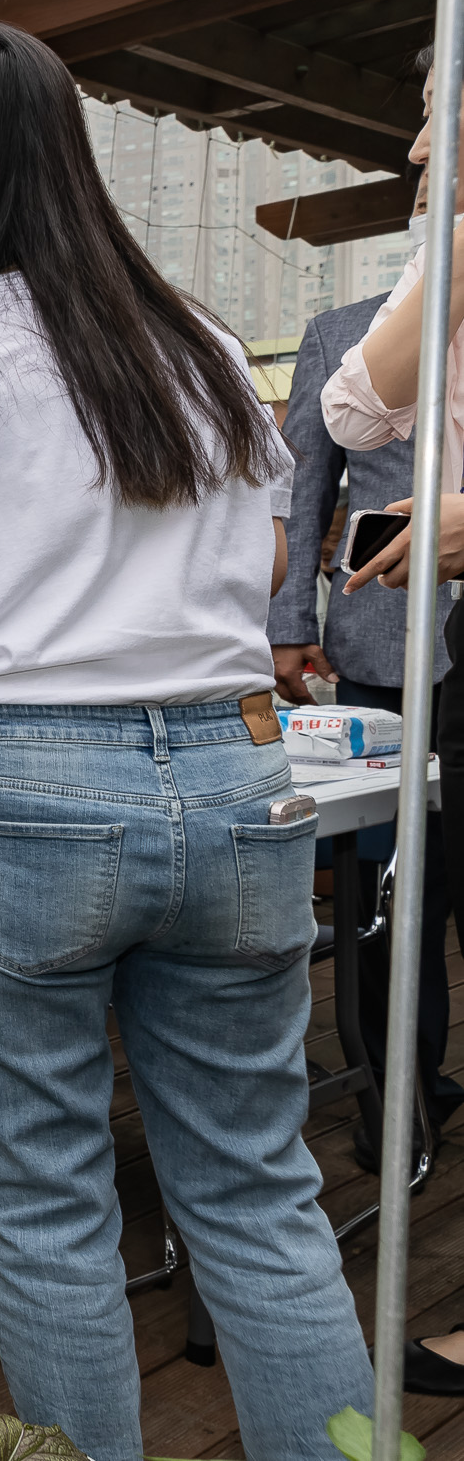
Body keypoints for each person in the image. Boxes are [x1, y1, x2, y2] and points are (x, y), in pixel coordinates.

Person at [0, 21, 367, 1455]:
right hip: (239, 768)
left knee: (49, 1211)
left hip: (20, 788)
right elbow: (267, 554)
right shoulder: (193, 337)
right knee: (263, 1194)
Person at [314, 47, 464, 1395]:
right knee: (406, 919)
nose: (417, 149)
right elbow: (356, 404)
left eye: (431, 118)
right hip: (437, 668)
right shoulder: (451, 248)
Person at [274, 278, 459, 1177]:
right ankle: (401, 1093)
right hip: (385, 656)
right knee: (391, 894)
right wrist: (287, 627)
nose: (428, 167)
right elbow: (303, 486)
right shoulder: (342, 333)